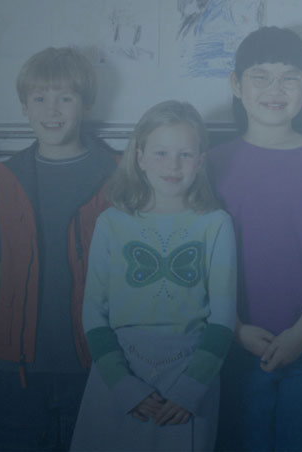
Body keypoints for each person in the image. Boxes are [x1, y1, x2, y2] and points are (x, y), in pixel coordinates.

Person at [208, 26, 302, 451]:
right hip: (236, 342)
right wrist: (233, 329)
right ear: (236, 85)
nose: (275, 89)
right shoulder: (211, 163)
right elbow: (196, 258)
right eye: (261, 76)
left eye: (289, 77)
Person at [69, 100, 236, 451]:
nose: (172, 166)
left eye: (185, 155)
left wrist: (192, 388)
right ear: (140, 158)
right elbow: (93, 313)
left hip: (191, 378)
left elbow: (222, 318)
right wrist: (122, 384)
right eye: (160, 153)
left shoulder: (215, 223)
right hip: (118, 375)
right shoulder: (111, 223)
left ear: (201, 160)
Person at [0, 47, 116, 451]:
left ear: (87, 103)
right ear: (24, 106)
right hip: (19, 368)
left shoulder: (118, 174)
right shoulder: (3, 178)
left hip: (97, 363)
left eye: (65, 97)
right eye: (39, 98)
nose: (51, 109)